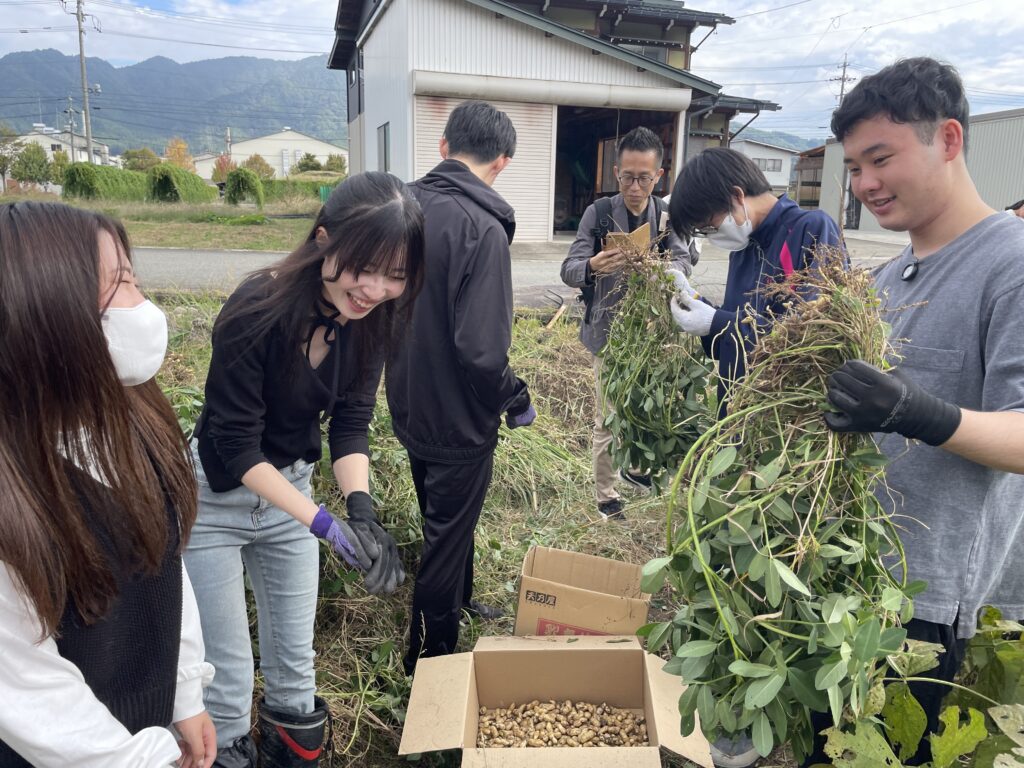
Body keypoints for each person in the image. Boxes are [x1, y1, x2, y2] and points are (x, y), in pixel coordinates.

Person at [818, 56, 1024, 766]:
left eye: (881, 158)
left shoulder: (1011, 262)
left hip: (925, 602)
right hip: (848, 572)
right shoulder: (880, 277)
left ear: (949, 139)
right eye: (853, 166)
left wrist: (916, 412)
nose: (865, 183)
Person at [186, 173, 424, 768]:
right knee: (227, 679)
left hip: (290, 491)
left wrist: (361, 513)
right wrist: (324, 525)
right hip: (214, 499)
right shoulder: (255, 309)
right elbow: (236, 445)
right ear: (324, 240)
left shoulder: (371, 322)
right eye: (365, 266)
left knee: (295, 670)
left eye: (395, 274)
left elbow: (350, 422)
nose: (375, 288)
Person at [0, 201, 215, 767]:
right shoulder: (16, 489)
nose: (142, 305)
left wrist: (186, 690)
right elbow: (27, 689)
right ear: (45, 310)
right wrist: (143, 758)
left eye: (134, 277)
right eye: (117, 284)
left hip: (144, 723)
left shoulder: (135, 417)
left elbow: (166, 560)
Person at [386, 100, 534, 676]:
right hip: (459, 418)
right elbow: (482, 352)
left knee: (444, 517)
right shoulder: (483, 229)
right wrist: (514, 396)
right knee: (445, 541)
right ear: (503, 161)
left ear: (444, 147)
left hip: (409, 400)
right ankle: (429, 662)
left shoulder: (406, 209)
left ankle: (464, 598)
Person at [560, 126, 698, 520]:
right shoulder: (599, 214)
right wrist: (592, 265)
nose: (634, 186)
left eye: (644, 178)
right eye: (626, 177)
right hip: (607, 335)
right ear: (616, 172)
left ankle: (638, 470)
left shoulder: (669, 218)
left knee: (647, 408)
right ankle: (606, 495)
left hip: (654, 336)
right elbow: (569, 268)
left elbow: (685, 260)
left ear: (659, 176)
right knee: (607, 417)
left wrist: (662, 267)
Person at [666, 148, 842, 412]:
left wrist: (716, 321)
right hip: (737, 412)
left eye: (710, 226)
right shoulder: (743, 250)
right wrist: (694, 303)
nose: (712, 235)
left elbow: (813, 340)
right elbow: (729, 339)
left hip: (784, 419)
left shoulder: (810, 229)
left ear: (737, 196)